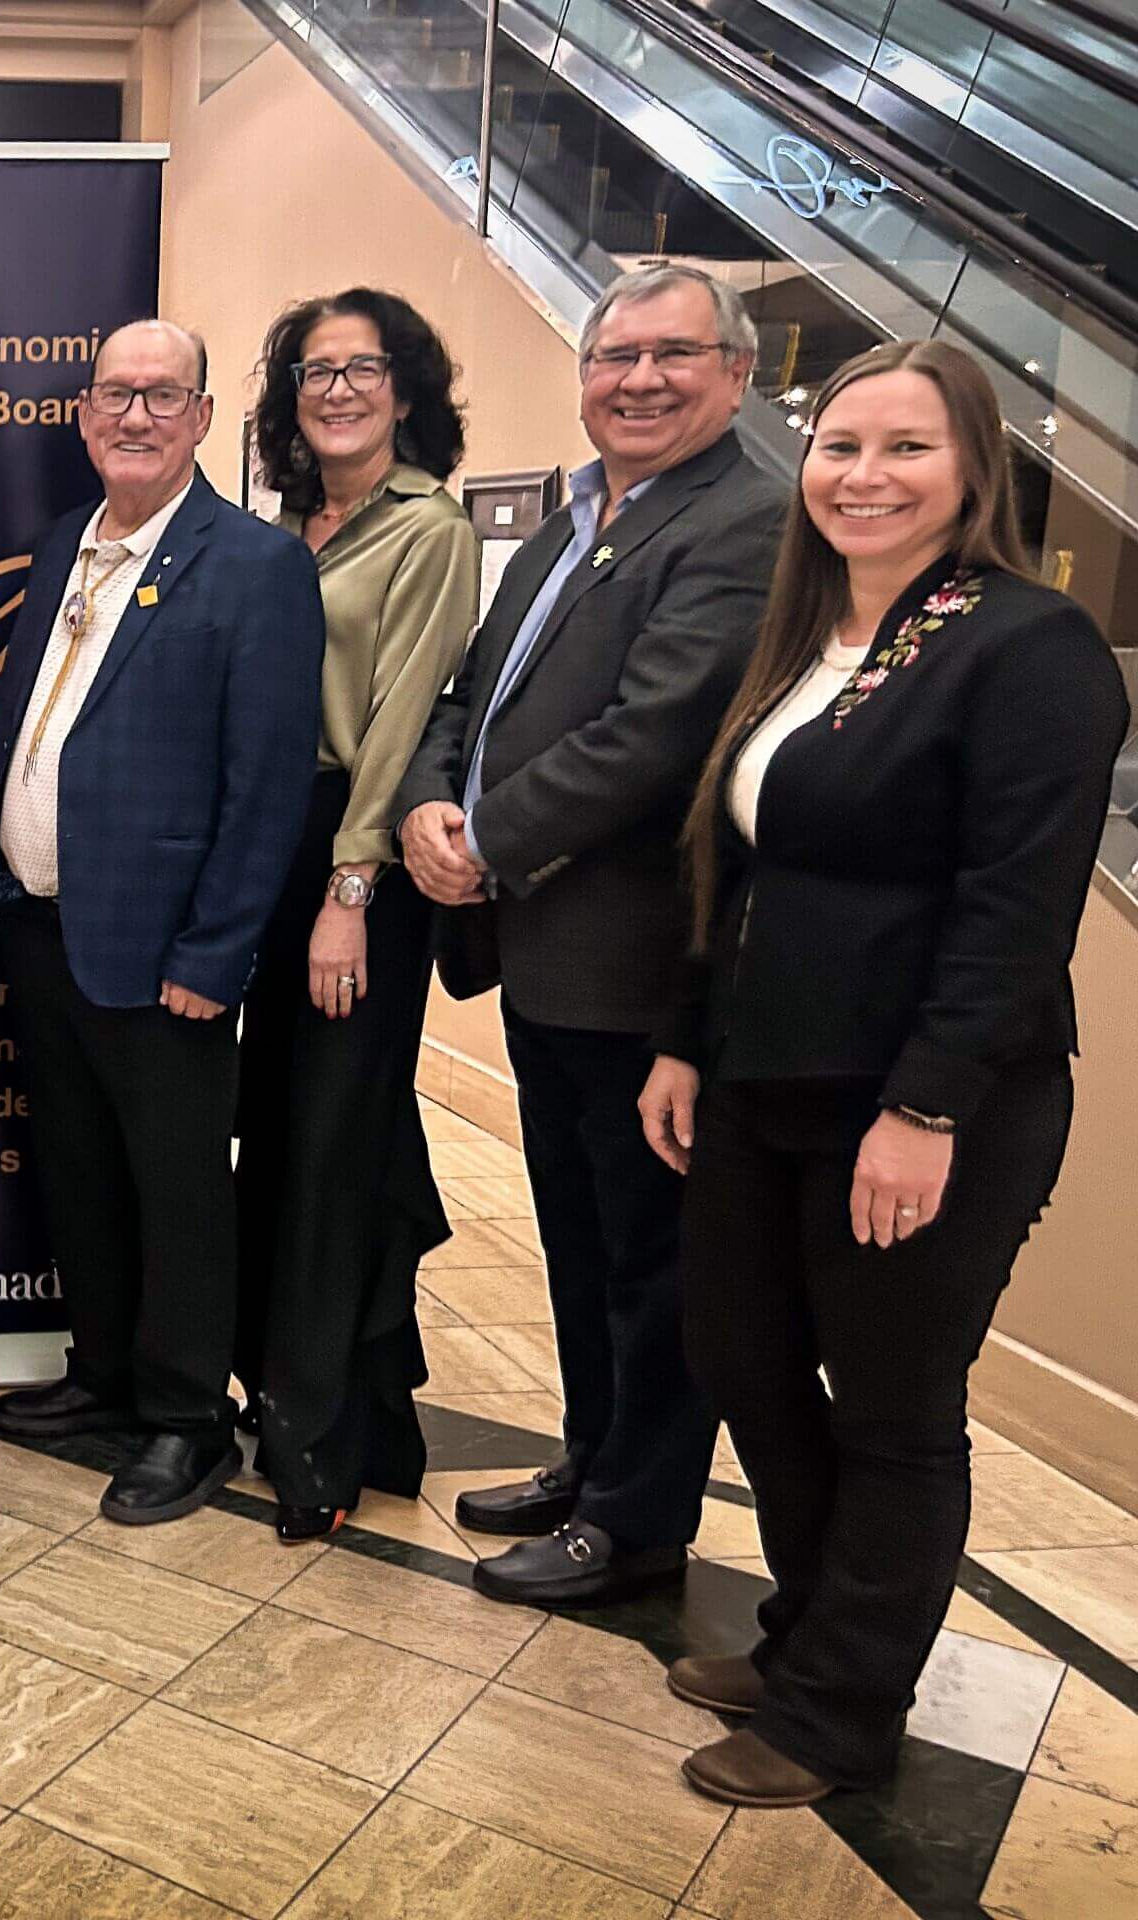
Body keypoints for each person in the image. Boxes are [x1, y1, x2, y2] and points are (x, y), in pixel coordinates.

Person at [638, 341, 1125, 1807]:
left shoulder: (1027, 646)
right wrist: (684, 1035)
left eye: (906, 449)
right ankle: (808, 1635)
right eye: (843, 447)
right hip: (764, 1078)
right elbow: (734, 860)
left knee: (895, 1405)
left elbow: (1014, 907)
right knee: (742, 1358)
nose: (866, 476)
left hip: (923, 1104)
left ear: (974, 468)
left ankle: (843, 1710)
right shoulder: (805, 637)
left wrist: (924, 1110)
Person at [393, 263, 787, 1606]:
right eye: (613, 357)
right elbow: (475, 689)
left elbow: (654, 739)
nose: (637, 380)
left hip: (635, 965)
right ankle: (591, 1454)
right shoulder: (579, 515)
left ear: (738, 372)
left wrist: (485, 838)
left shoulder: (744, 524)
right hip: (547, 953)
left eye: (673, 355)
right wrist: (430, 803)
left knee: (649, 1257)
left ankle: (635, 1519)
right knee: (575, 1234)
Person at [0, 319, 323, 1526]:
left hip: (166, 956)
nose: (135, 416)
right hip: (44, 926)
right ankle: (104, 1372)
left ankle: (183, 1418)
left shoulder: (254, 564)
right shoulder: (69, 541)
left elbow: (266, 785)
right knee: (80, 1171)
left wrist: (216, 955)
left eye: (163, 395)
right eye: (114, 394)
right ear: (83, 412)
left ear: (206, 416)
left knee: (174, 1190)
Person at [234, 291, 480, 1542]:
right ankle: (381, 1414)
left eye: (362, 368)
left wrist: (349, 888)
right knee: (313, 1134)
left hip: (353, 873)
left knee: (331, 1147)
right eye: (314, 370)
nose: (336, 389)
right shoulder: (290, 523)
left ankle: (312, 1443)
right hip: (275, 861)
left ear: (405, 387)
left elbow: (397, 723)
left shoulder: (427, 527)